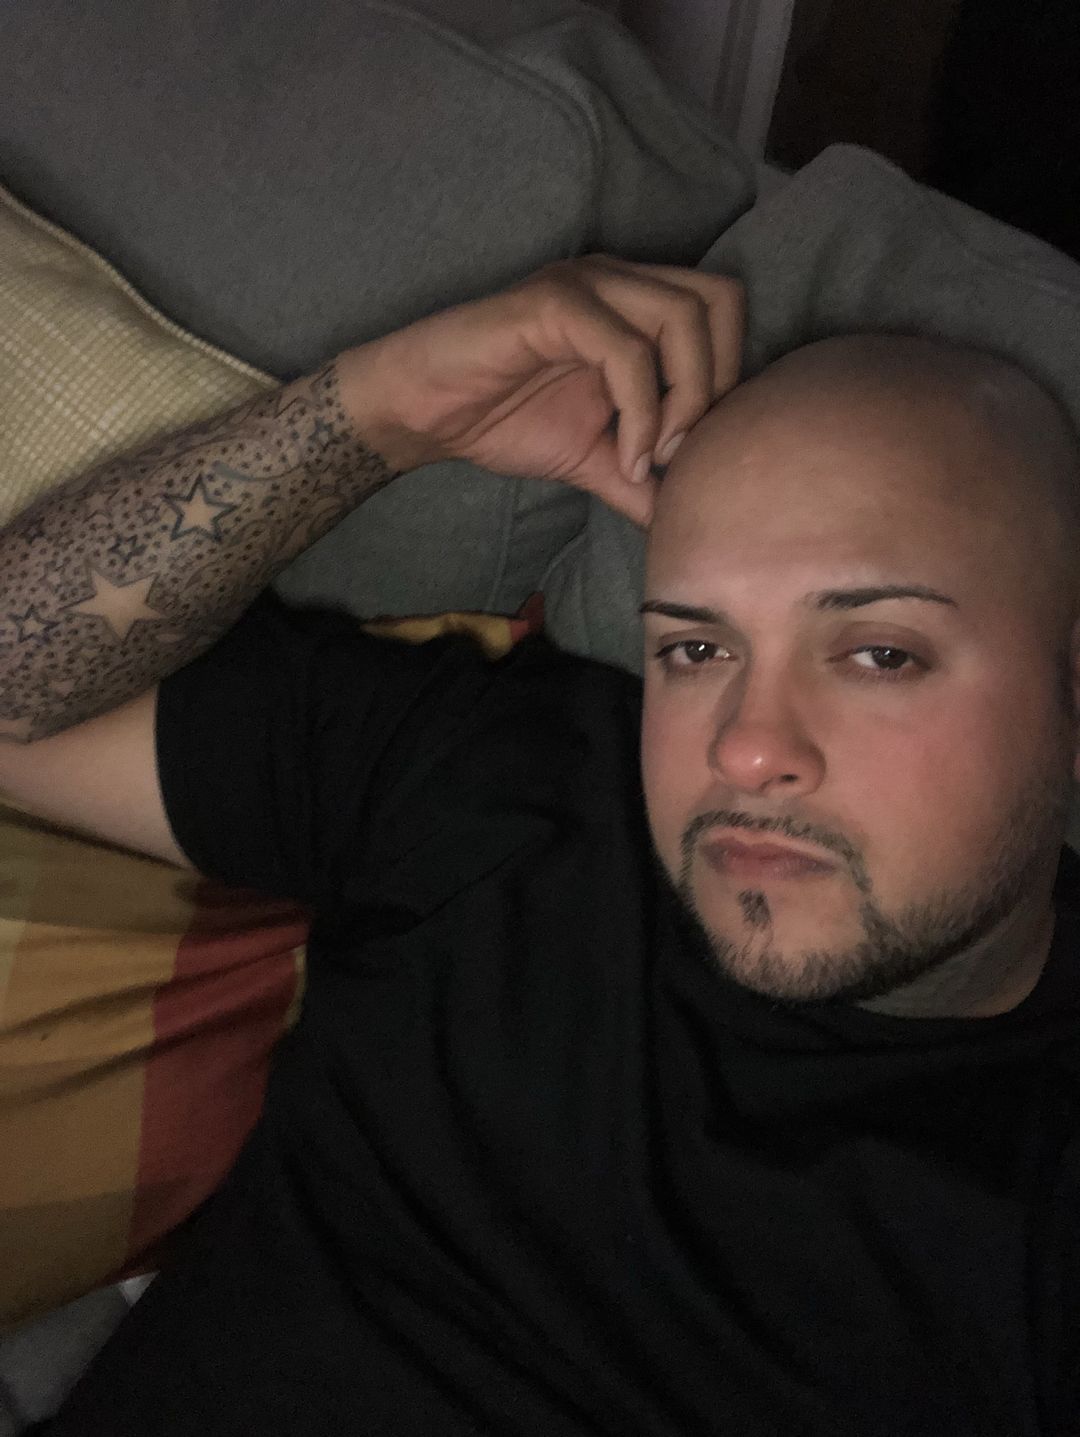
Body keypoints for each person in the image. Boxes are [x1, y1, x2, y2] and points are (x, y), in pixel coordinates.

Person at [5, 260, 1079, 1434]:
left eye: (880, 654)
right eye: (696, 651)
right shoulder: (502, 778)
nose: (745, 749)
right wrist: (378, 414)